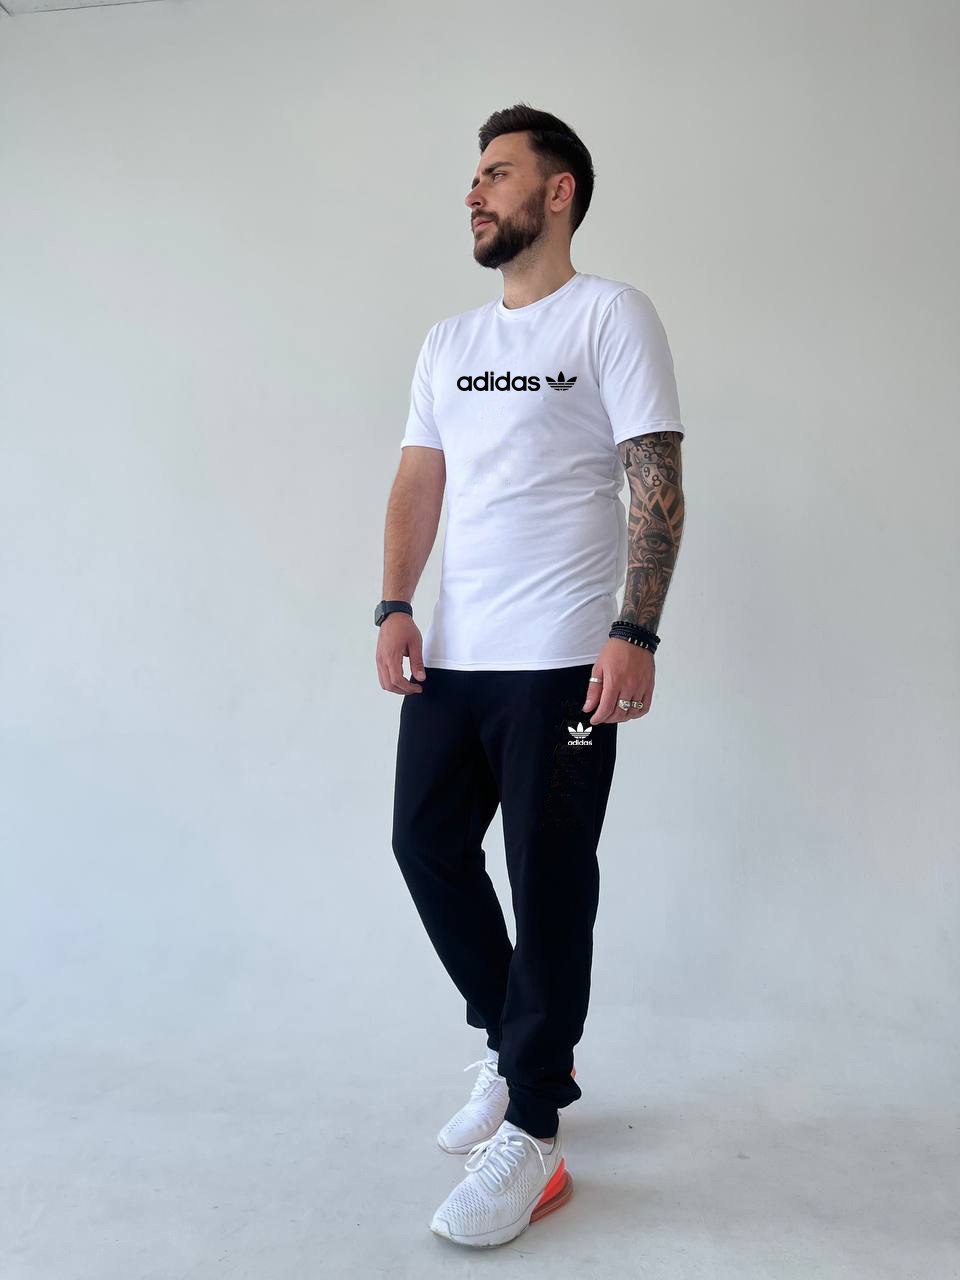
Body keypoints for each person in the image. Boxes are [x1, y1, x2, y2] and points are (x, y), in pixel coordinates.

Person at [375, 103, 686, 1249]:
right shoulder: (448, 341)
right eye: (474, 175)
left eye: (497, 173)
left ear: (558, 193)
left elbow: (655, 476)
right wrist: (396, 603)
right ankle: (515, 1045)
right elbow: (420, 479)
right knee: (424, 843)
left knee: (548, 878)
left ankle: (536, 1130)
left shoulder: (611, 315)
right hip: (457, 655)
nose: (474, 192)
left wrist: (634, 627)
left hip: (561, 656)